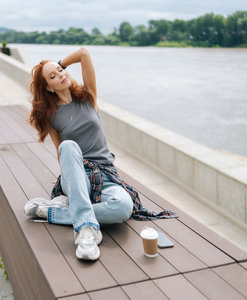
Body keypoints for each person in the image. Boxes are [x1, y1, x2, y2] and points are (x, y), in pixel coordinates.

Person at [25, 47, 177, 261]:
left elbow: (84, 54)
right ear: (48, 88)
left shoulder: (88, 97)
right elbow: (61, 153)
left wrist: (60, 64)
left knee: (124, 207)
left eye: (60, 70)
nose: (61, 75)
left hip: (106, 175)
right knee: (68, 146)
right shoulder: (52, 117)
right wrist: (68, 176)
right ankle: (87, 230)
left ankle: (52, 212)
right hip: (78, 176)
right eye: (53, 76)